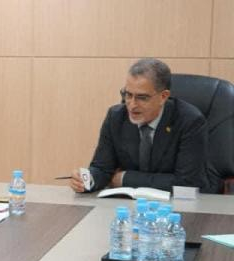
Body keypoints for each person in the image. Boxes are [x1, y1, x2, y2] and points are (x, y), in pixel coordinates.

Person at [70, 58, 211, 193]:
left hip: (179, 207)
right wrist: (87, 180)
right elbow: (102, 168)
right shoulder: (116, 117)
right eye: (128, 94)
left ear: (163, 96)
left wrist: (125, 178)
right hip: (128, 205)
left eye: (141, 97)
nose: (132, 105)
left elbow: (186, 183)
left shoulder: (189, 121)